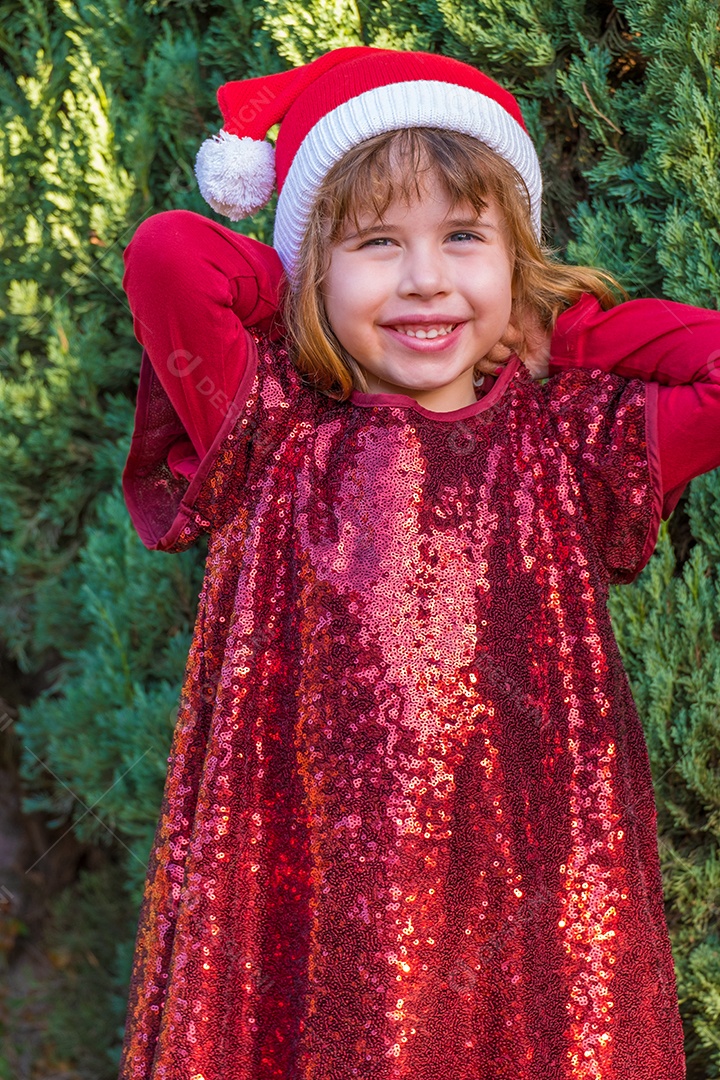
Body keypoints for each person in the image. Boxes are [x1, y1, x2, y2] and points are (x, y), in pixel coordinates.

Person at [118, 46, 720, 1080]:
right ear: (318, 261)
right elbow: (171, 256)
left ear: (514, 258)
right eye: (378, 241)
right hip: (311, 894)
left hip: (525, 908)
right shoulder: (268, 420)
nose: (425, 279)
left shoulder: (569, 436)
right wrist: (290, 281)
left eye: (464, 239)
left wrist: (561, 336)